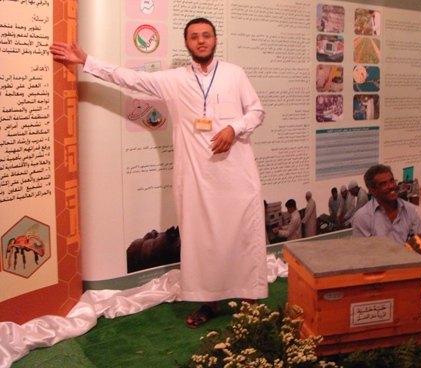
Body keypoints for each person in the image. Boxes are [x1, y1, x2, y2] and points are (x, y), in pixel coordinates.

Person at [50, 17, 267, 328]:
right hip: (196, 177)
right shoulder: (174, 79)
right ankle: (210, 302)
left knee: (242, 233)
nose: (201, 41)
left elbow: (256, 111)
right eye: (194, 36)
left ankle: (250, 300)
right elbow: (129, 79)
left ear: (215, 40)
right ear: (187, 43)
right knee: (202, 239)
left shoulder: (235, 74)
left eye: (206, 35)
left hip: (237, 173)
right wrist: (86, 60)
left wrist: (235, 128)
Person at [352, 164, 421, 244]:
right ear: (372, 191)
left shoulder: (411, 211)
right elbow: (363, 250)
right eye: (384, 184)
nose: (391, 186)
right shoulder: (362, 218)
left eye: (392, 181)